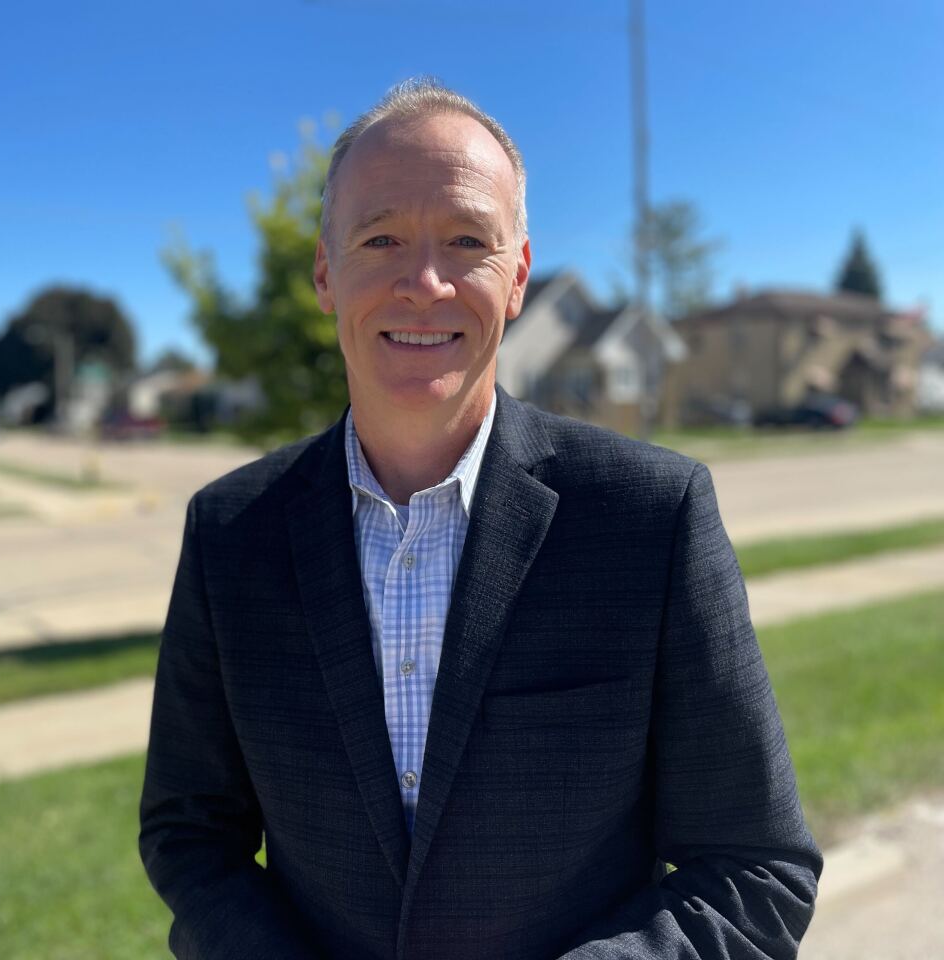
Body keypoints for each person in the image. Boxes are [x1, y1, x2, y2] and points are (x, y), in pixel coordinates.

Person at [140, 78, 821, 959]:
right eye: (380, 238)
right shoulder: (231, 534)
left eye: (467, 241)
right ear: (324, 272)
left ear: (517, 280)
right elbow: (190, 834)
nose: (424, 283)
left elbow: (754, 866)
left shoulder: (651, 519)